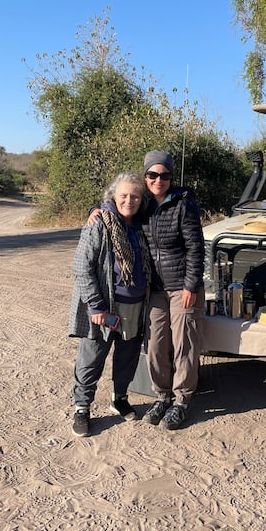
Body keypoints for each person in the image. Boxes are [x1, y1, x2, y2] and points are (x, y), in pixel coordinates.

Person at [88, 150, 205, 430]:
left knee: (184, 344)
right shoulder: (143, 205)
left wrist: (191, 284)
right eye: (152, 175)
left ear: (170, 177)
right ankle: (162, 396)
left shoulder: (183, 205)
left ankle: (182, 401)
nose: (158, 180)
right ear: (145, 177)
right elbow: (118, 203)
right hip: (154, 288)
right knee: (155, 344)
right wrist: (95, 209)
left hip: (182, 287)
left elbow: (196, 248)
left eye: (164, 175)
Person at [68, 171, 152, 438]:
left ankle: (119, 398)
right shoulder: (99, 224)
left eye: (135, 196)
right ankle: (82, 408)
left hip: (135, 304)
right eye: (124, 195)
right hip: (104, 306)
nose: (129, 200)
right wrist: (95, 306)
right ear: (113, 196)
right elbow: (82, 267)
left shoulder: (141, 225)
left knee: (127, 356)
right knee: (91, 357)